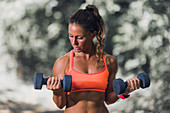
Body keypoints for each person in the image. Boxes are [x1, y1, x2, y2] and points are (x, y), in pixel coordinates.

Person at [46, 5, 140, 113]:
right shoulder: (62, 63)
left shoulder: (109, 61)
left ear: (93, 34)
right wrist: (57, 91)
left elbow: (108, 99)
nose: (74, 42)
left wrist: (125, 90)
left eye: (80, 37)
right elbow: (60, 104)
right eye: (71, 36)